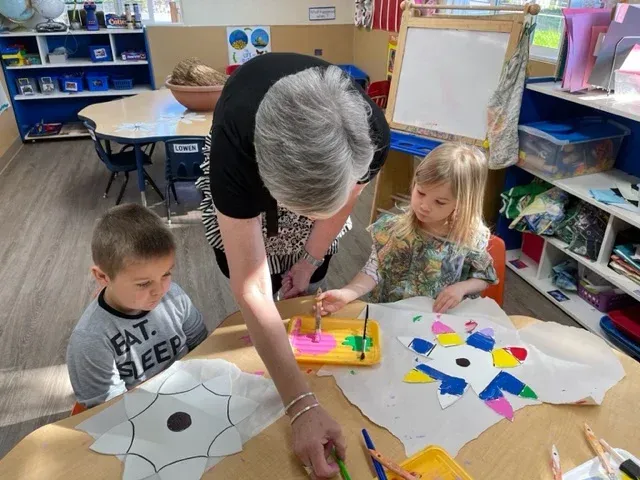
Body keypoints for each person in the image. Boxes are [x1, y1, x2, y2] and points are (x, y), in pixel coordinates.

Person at [196, 52, 389, 478]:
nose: (300, 223)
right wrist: (301, 405)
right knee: (252, 280)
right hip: (250, 142)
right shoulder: (235, 145)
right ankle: (265, 338)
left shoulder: (369, 134)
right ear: (267, 182)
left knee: (303, 275)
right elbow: (250, 283)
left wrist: (308, 259)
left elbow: (348, 198)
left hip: (312, 153)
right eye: (294, 209)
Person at [317, 143, 498, 315]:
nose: (424, 206)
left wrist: (462, 288)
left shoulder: (471, 237)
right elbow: (374, 269)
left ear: (463, 203)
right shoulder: (395, 229)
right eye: (420, 193)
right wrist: (347, 293)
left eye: (440, 202)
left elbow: (484, 276)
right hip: (393, 317)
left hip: (440, 325)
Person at [67, 204, 208, 408]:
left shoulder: (174, 295)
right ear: (102, 277)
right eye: (143, 283)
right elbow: (110, 411)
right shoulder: (90, 340)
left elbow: (202, 348)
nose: (160, 290)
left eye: (166, 274)